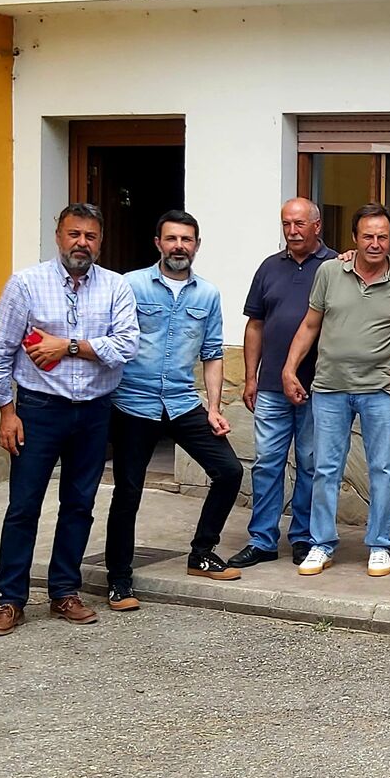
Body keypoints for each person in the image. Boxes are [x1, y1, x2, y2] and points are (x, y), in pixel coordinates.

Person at [0, 203, 139, 636]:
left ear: (99, 241)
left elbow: (126, 346)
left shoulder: (116, 287)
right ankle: (10, 599)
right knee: (23, 506)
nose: (81, 243)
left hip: (93, 412)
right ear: (58, 236)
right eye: (74, 234)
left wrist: (67, 346)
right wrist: (6, 413)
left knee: (79, 505)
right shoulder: (26, 284)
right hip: (38, 411)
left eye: (89, 236)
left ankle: (64, 592)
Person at [105, 211, 245, 610]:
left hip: (183, 402)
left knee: (228, 471)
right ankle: (119, 580)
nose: (179, 246)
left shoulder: (208, 295)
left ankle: (202, 552)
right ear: (158, 243)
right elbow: (113, 340)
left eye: (186, 240)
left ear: (196, 246)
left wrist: (214, 407)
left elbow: (213, 353)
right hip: (133, 402)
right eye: (172, 239)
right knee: (128, 492)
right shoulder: (130, 285)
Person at [284, 203, 390, 579]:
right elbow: (310, 325)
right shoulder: (329, 271)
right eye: (368, 236)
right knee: (324, 468)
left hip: (380, 389)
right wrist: (290, 368)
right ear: (355, 238)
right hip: (329, 387)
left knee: (383, 469)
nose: (375, 243)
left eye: (383, 236)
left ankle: (379, 545)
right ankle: (321, 544)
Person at [228, 198, 337, 571]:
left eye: (299, 224)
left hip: (318, 387)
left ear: (317, 226)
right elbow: (255, 324)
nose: (292, 231)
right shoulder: (269, 267)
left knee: (310, 464)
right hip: (272, 386)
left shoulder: (337, 266)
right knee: (267, 463)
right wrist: (249, 377)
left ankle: (305, 539)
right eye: (286, 224)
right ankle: (262, 539)